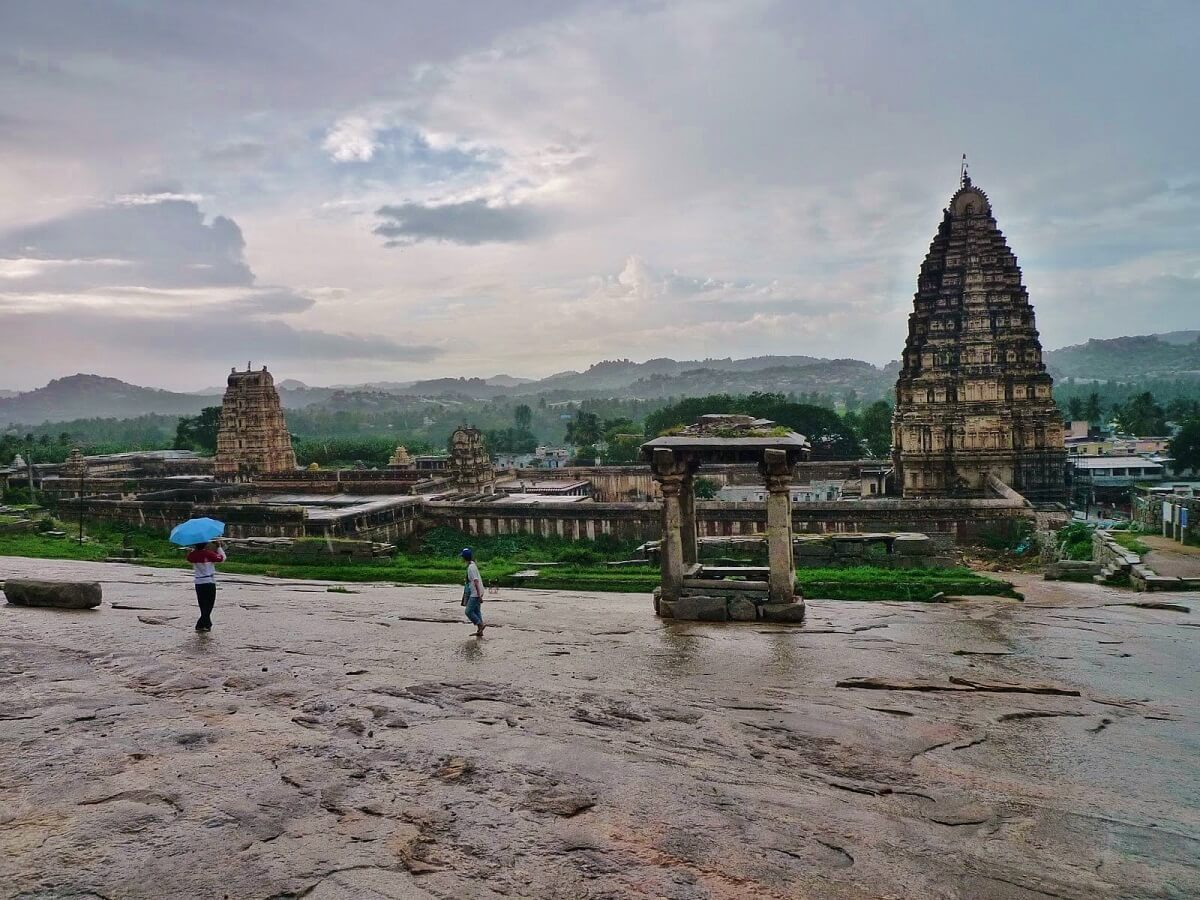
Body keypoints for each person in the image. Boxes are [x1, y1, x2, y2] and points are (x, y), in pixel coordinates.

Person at [186, 540, 226, 632]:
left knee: (202, 604)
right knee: (209, 604)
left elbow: (189, 558)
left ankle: (207, 624)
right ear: (205, 545)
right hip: (209, 581)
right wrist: (219, 547)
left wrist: (190, 551)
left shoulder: (193, 555)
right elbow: (222, 558)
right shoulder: (209, 554)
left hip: (198, 582)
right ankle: (201, 624)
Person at [461, 547, 485, 637]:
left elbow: (476, 581)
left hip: (475, 593)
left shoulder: (471, 567)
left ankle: (480, 624)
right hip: (478, 591)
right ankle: (480, 631)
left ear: (464, 558)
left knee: (468, 611)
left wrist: (479, 595)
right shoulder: (473, 564)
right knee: (477, 611)